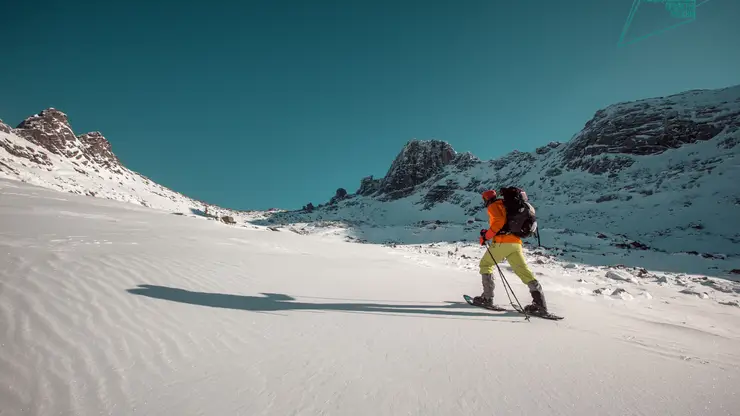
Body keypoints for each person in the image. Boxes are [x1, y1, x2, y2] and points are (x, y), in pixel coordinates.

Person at [472, 189, 548, 314]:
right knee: (524, 272)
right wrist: (487, 233)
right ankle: (540, 305)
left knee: (485, 264)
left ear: (486, 199)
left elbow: (499, 222)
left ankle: (487, 298)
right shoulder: (506, 204)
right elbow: (506, 223)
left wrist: (486, 237)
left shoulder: (493, 206)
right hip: (515, 243)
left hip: (503, 242)